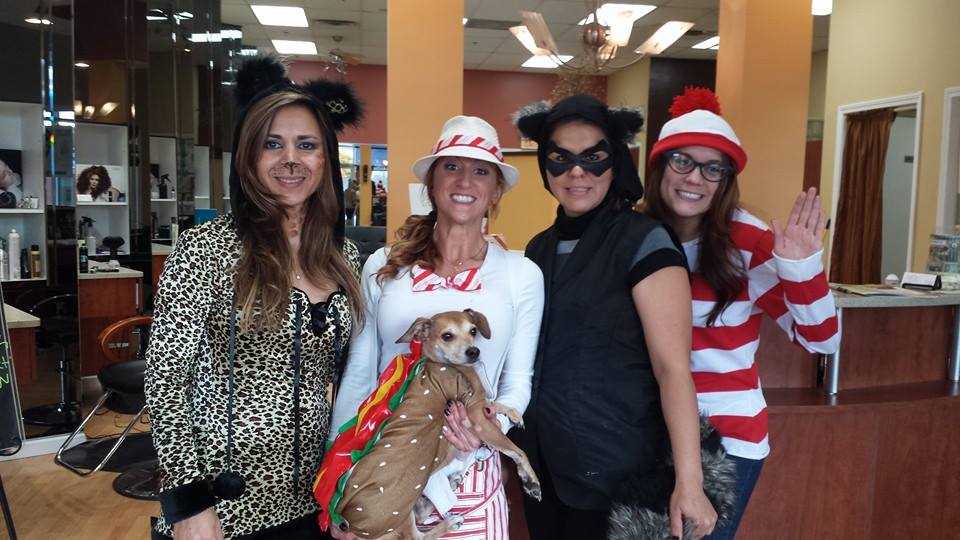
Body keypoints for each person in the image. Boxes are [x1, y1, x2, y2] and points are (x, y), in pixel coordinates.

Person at [145, 56, 365, 539]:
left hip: (314, 499)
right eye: (273, 145)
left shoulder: (343, 255)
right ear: (249, 157)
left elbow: (358, 379)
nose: (291, 159)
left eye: (306, 145)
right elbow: (165, 383)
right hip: (222, 508)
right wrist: (188, 505)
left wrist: (351, 483)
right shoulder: (206, 249)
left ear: (326, 159)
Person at [329, 115, 545, 540]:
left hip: (468, 475)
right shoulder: (384, 266)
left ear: (496, 189)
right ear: (431, 183)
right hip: (381, 469)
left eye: (481, 170)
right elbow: (359, 374)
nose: (465, 179)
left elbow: (518, 382)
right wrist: (338, 478)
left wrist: (483, 428)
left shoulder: (522, 274)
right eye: (452, 166)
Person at [514, 95, 718, 540]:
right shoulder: (537, 249)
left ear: (616, 163)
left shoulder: (646, 242)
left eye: (594, 157)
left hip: (616, 470)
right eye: (560, 158)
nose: (577, 172)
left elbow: (674, 370)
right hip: (543, 469)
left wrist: (690, 481)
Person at [642, 87, 841, 539]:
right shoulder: (632, 232)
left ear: (726, 179)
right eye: (682, 161)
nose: (696, 178)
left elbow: (821, 338)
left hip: (726, 434)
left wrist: (802, 265)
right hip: (645, 426)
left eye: (713, 168)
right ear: (659, 167)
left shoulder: (749, 242)